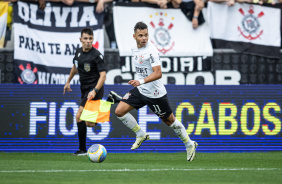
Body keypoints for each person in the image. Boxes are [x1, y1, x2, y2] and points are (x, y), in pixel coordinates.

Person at [114, 22, 198, 161]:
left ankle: (189, 144)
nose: (144, 38)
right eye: (140, 35)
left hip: (155, 94)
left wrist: (140, 81)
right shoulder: (133, 49)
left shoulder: (151, 50)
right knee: (119, 111)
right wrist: (140, 83)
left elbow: (158, 73)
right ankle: (141, 134)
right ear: (134, 36)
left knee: (169, 121)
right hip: (141, 90)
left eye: (146, 35)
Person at [63, 28, 107, 156]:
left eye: (90, 39)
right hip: (84, 89)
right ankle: (103, 110)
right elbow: (75, 67)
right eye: (85, 38)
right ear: (81, 39)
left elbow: (103, 76)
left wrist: (94, 90)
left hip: (95, 89)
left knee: (78, 116)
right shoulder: (78, 53)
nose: (88, 41)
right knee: (89, 124)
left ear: (93, 39)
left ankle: (82, 150)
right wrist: (68, 81)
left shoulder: (97, 55)